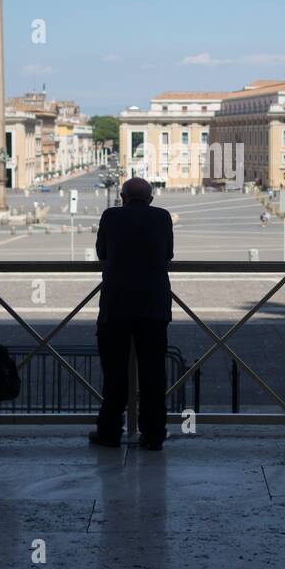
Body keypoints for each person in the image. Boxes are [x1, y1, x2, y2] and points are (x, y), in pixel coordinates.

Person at [90, 176, 173, 451]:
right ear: (150, 199)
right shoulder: (162, 217)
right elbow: (168, 254)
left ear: (122, 198)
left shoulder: (110, 216)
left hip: (116, 305)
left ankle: (110, 431)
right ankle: (154, 435)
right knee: (153, 374)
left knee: (114, 374)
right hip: (153, 305)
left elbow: (101, 252)